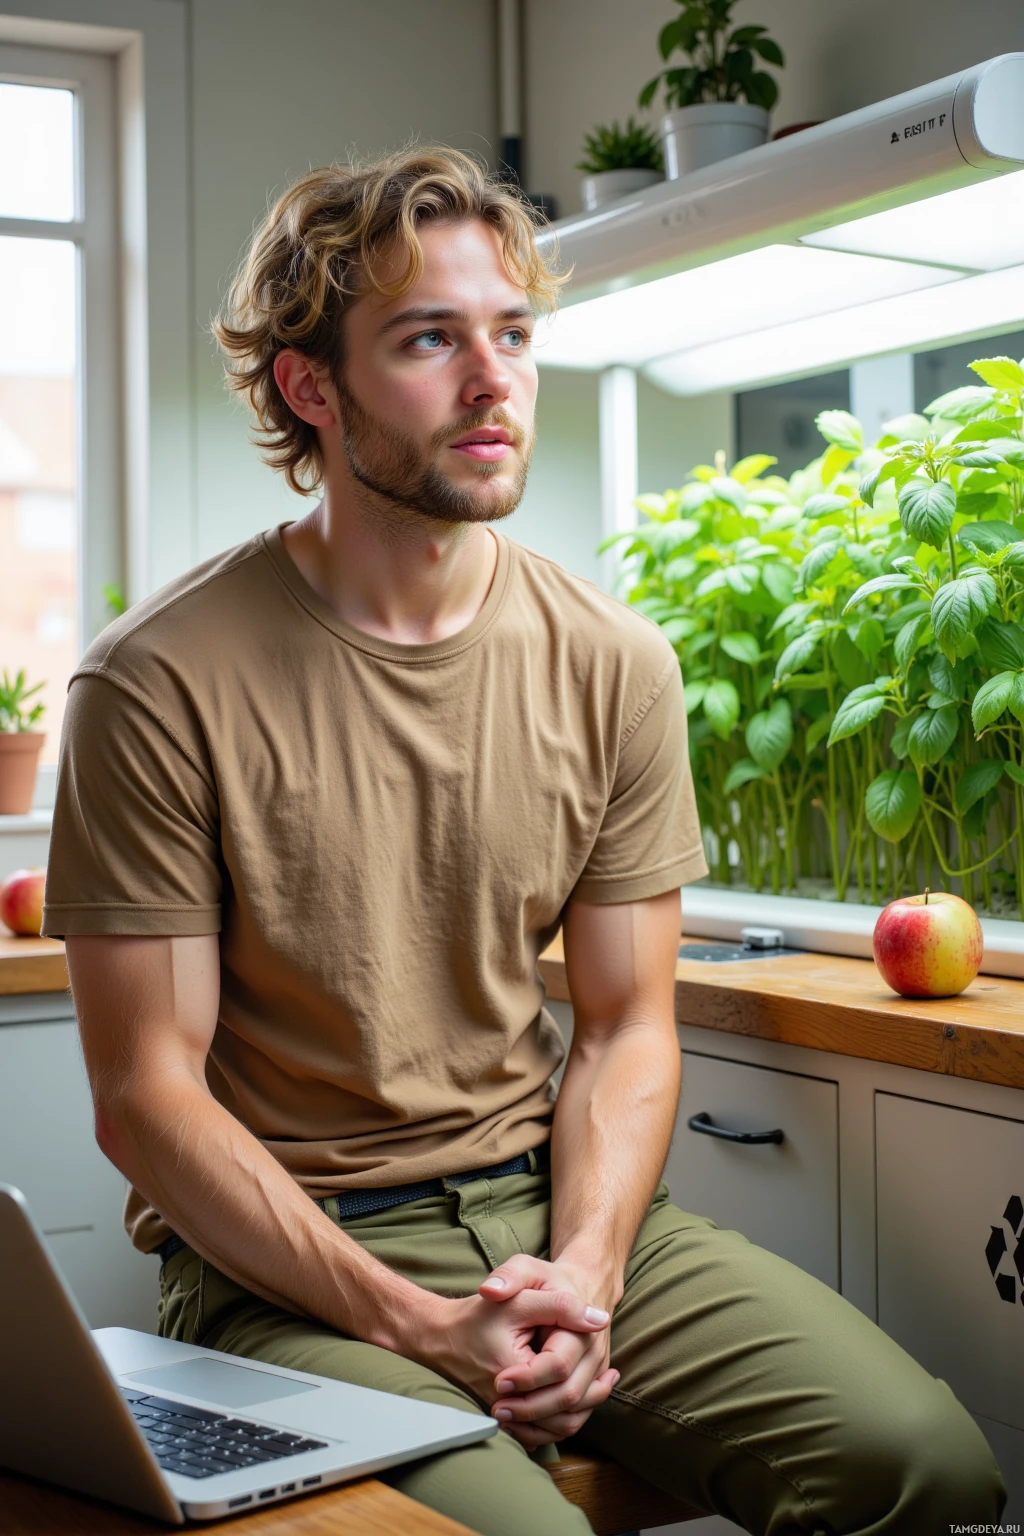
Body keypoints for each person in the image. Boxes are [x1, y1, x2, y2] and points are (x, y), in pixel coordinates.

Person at [44, 147, 1006, 1536]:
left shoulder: (616, 660)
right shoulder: (155, 683)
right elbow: (147, 1096)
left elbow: (626, 1028)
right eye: (432, 339)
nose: (495, 381)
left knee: (923, 1468)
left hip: (554, 1209)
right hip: (288, 1265)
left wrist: (588, 1273)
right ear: (311, 387)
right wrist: (421, 1324)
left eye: (512, 333)